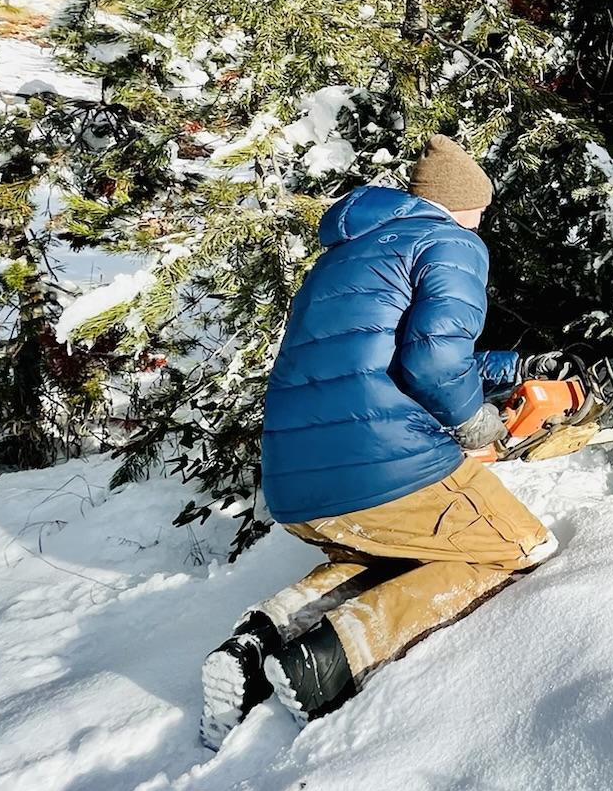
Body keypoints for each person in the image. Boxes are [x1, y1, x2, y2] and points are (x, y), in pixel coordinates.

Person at [198, 134, 567, 748]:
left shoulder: (351, 252)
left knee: (391, 551)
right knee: (516, 546)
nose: (482, 221)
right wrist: (477, 424)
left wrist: (514, 367)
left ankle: (257, 640)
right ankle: (328, 660)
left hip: (297, 486)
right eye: (480, 208)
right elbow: (430, 363)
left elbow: (382, 356)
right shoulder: (452, 242)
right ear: (461, 203)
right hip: (379, 468)